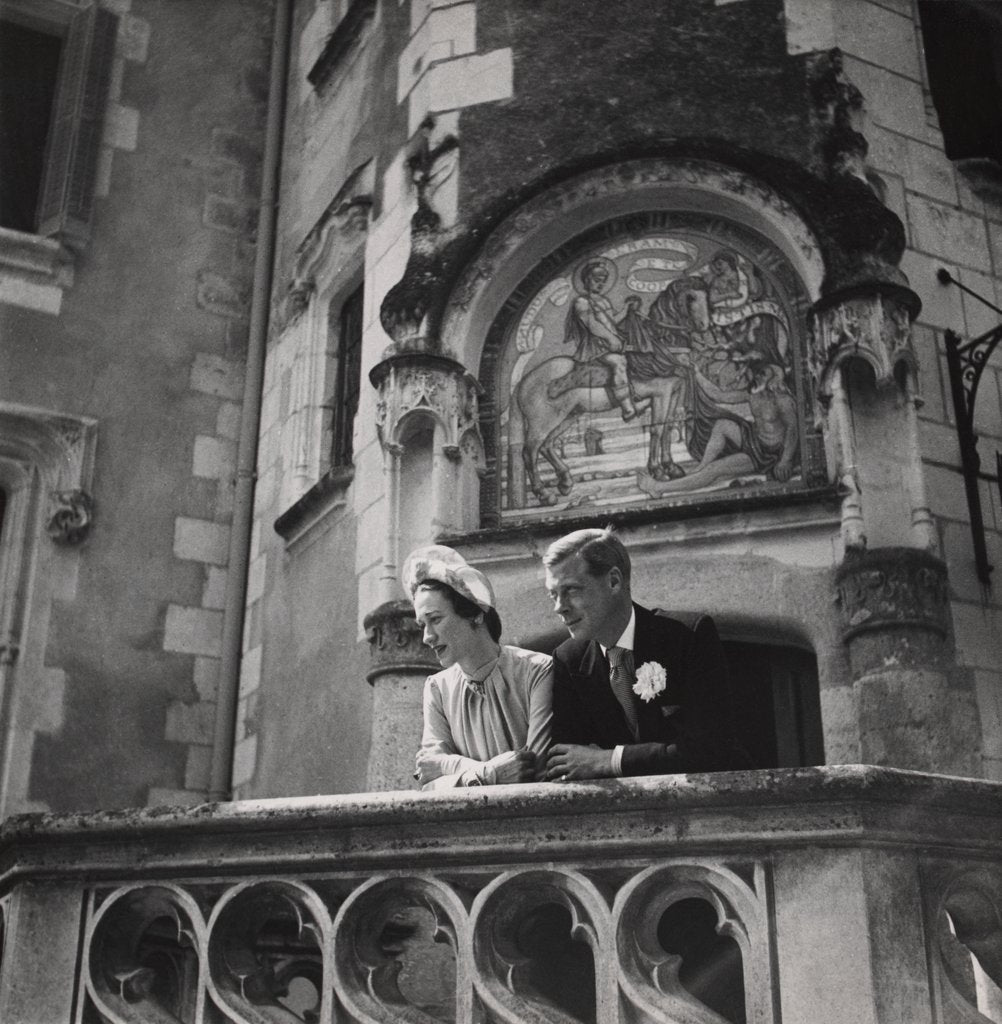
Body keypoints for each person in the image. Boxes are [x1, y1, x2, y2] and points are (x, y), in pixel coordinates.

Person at [542, 527, 747, 781]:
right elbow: (565, 763)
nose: (559, 607)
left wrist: (611, 760)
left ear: (614, 581)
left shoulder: (687, 636)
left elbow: (711, 749)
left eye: (571, 590)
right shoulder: (568, 659)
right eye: (553, 594)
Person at [404, 544, 553, 790]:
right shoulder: (437, 688)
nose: (427, 637)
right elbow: (429, 785)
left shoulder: (537, 671)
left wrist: (446, 766)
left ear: (475, 613)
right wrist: (488, 774)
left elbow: (532, 771)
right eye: (422, 625)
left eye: (435, 619)